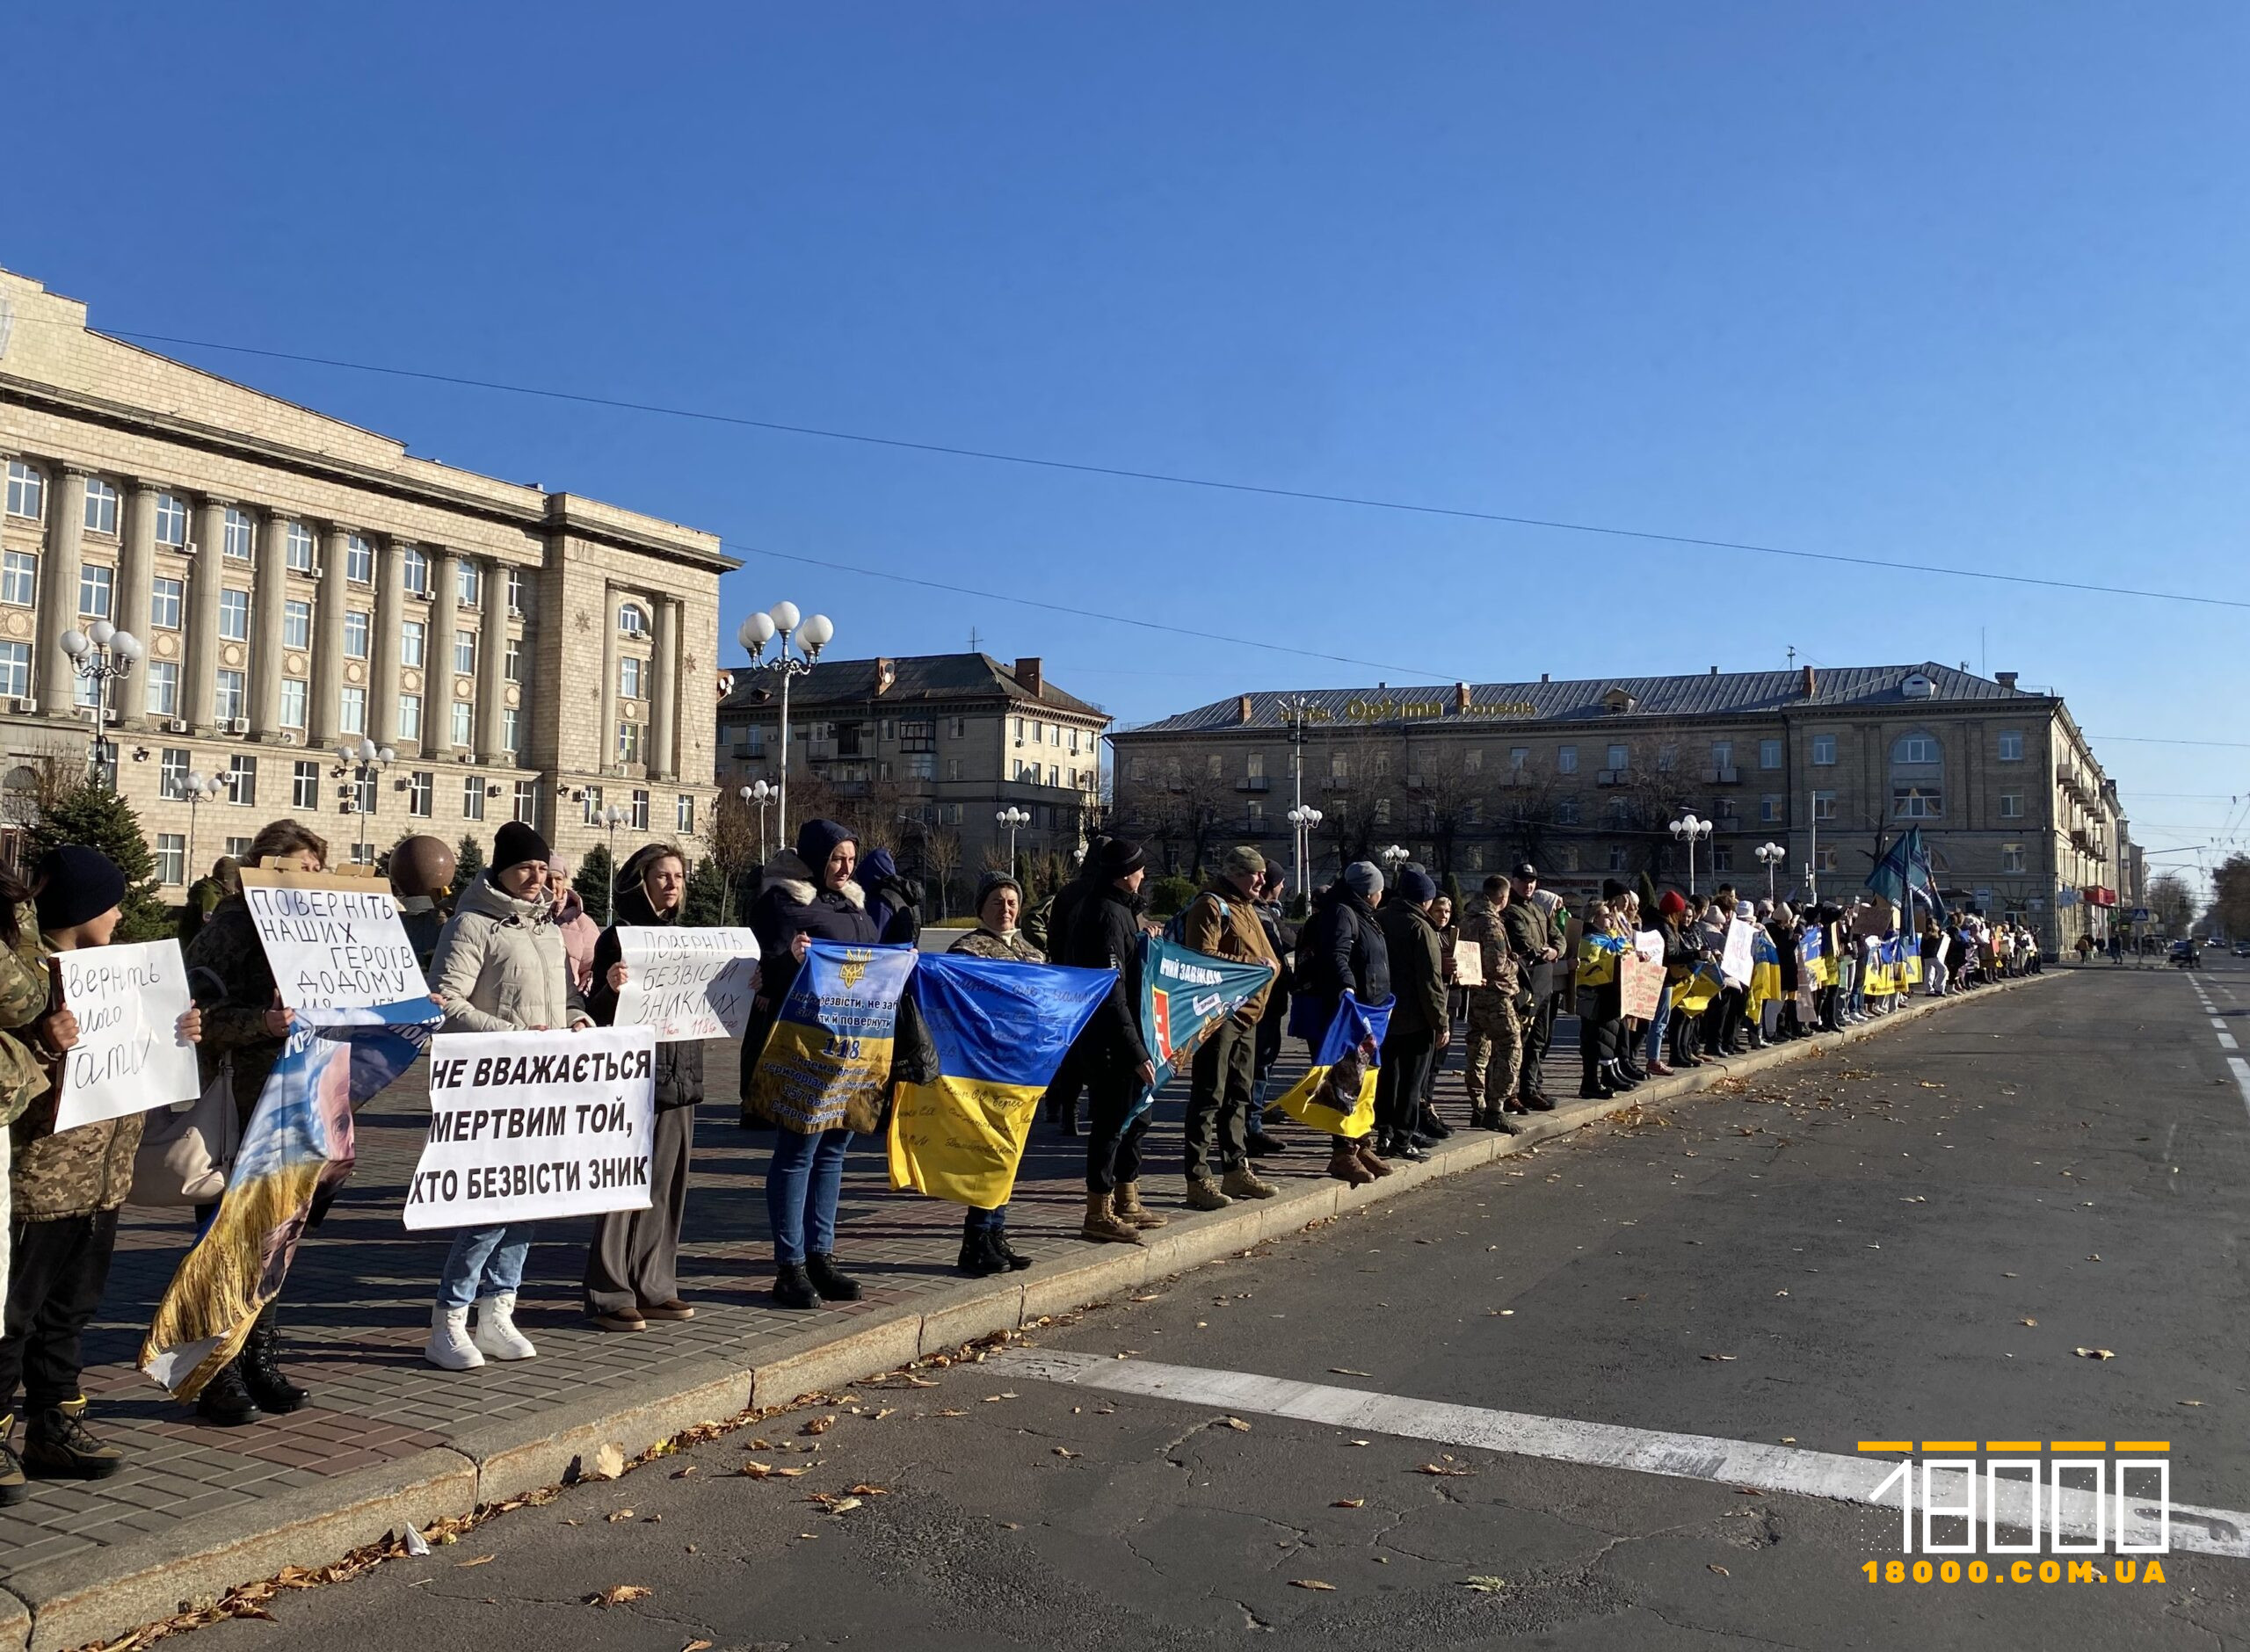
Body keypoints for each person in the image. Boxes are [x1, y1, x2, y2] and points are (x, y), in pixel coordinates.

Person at [0, 849, 202, 1496]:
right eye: (110, 902)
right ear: (82, 910)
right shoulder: (33, 982)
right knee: (14, 1316)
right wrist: (43, 1040)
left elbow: (147, 1059)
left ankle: (56, 1422)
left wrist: (182, 1032)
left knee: (71, 1311)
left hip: (102, 1181)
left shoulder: (128, 974)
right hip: (41, 1183)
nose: (119, 913)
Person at [182, 817, 332, 1424]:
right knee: (225, 1243)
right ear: (266, 867)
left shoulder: (321, 932)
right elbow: (195, 1018)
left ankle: (259, 1357)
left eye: (319, 870)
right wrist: (261, 1026)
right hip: (238, 1110)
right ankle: (215, 1372)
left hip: (298, 1101)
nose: (313, 880)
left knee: (277, 1241)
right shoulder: (230, 931)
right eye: (303, 867)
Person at [425, 821, 591, 1368]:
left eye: (543, 869)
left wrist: (579, 1020)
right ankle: (448, 1319)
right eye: (526, 867)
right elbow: (445, 1001)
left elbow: (563, 997)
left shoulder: (546, 928)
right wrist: (509, 1034)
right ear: (501, 868)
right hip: (492, 1083)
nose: (536, 877)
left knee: (529, 1201)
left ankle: (499, 1311)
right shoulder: (472, 924)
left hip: (544, 1084)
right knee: (489, 1205)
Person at [742, 819, 888, 1306]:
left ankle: (823, 1256)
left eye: (850, 859)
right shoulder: (787, 901)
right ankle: (791, 1265)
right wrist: (790, 961)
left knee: (834, 1152)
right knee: (797, 1153)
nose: (845, 868)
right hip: (806, 1048)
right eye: (835, 859)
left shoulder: (854, 902)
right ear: (815, 858)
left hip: (854, 1046)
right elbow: (760, 968)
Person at [583, 843, 707, 1333]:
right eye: (662, 876)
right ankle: (610, 1291)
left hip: (681, 1076)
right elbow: (594, 1008)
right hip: (632, 1078)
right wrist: (609, 987)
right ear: (640, 881)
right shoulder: (617, 939)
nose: (672, 884)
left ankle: (655, 1285)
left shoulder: (693, 941)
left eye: (678, 875)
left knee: (666, 1186)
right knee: (621, 1184)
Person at [1056, 838, 1160, 1243]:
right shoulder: (1103, 914)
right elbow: (1110, 990)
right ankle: (1098, 1212)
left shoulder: (1119, 910)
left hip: (1126, 1035)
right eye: (1139, 869)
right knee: (1111, 1123)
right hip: (1109, 1041)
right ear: (1123, 876)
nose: (1143, 875)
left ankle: (1127, 1197)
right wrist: (1135, 1049)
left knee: (1135, 1118)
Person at [947, 873, 1044, 1275]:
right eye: (997, 902)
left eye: (1011, 902)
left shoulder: (1030, 951)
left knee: (1010, 1153)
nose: (1005, 909)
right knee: (988, 1153)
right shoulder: (968, 951)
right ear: (981, 907)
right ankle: (976, 1238)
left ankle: (996, 1234)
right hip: (984, 1067)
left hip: (1023, 1069)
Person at [1177, 847, 1281, 1209]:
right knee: (1209, 1096)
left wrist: (1269, 968)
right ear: (1236, 873)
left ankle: (1236, 1170)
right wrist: (1253, 964)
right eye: (1256, 875)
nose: (1263, 882)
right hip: (1220, 1018)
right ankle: (1198, 1177)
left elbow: (1271, 959)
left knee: (1239, 1095)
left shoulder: (1247, 907)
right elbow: (1202, 957)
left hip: (1248, 1018)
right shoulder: (1211, 905)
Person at [1294, 863, 1393, 1185]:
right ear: (1370, 891)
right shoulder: (1343, 913)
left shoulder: (1362, 913)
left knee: (1362, 1084)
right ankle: (1342, 1153)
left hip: (1367, 1015)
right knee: (1342, 1085)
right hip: (1346, 1015)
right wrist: (1347, 986)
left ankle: (1362, 1144)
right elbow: (1337, 955)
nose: (1381, 895)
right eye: (1379, 889)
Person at [1374, 867, 1446, 1162]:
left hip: (1382, 1015)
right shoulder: (1421, 927)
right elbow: (1430, 980)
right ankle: (1403, 1139)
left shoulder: (1378, 919)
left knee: (1386, 1079)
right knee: (1411, 1082)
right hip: (1415, 1018)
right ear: (1425, 900)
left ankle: (1382, 1134)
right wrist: (1440, 1022)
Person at [1456, 874, 1522, 1132]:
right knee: (1510, 1045)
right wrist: (1515, 965)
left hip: (1473, 992)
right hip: (1495, 994)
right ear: (1502, 897)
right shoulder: (1491, 924)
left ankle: (1478, 1106)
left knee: (1477, 1048)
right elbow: (1496, 965)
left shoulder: (1467, 918)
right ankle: (1496, 1108)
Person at [1501, 865, 1564, 1110]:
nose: (1528, 885)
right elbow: (1523, 943)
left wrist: (1556, 949)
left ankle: (1531, 1088)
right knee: (1519, 1040)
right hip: (1525, 982)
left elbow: (1557, 935)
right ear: (1513, 881)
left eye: (1532, 881)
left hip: (1545, 982)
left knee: (1539, 1040)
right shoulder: (1510, 911)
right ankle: (1511, 1092)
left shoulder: (1538, 909)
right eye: (1523, 881)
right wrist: (1545, 952)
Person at [1245, 866, 1296, 1156]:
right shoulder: (1261, 914)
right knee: (1258, 1064)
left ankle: (1254, 1117)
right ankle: (1251, 1127)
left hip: (1267, 1000)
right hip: (1260, 1001)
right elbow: (1286, 943)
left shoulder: (1264, 911)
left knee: (1261, 1063)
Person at [549, 857, 600, 996]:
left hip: (569, 1005)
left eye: (558, 879)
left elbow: (592, 967)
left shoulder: (582, 923)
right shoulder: (523, 918)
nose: (552, 884)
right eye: (547, 878)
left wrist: (579, 1000)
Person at [177, 856, 242, 949]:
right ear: (226, 879)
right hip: (199, 947)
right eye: (235, 879)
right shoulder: (211, 895)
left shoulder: (212, 890)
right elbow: (210, 925)